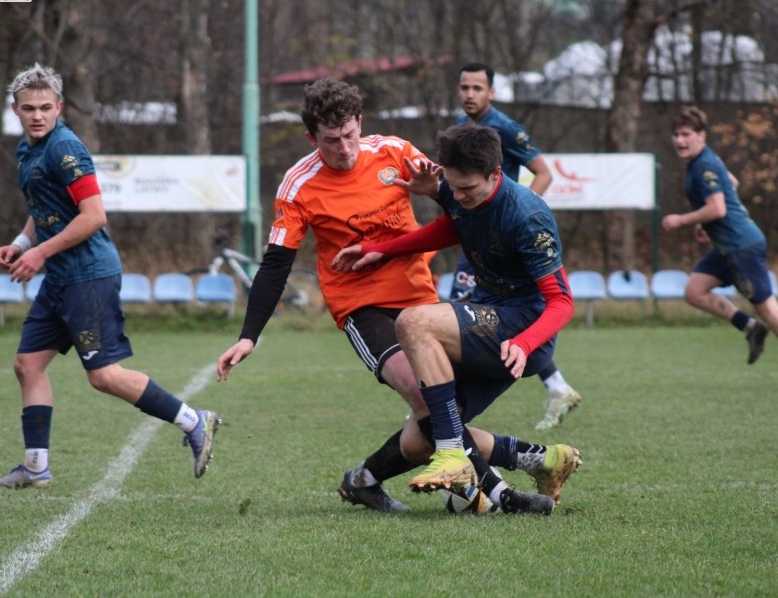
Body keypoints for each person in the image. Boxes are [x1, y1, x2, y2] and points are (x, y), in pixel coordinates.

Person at [217, 78, 578, 514]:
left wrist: (433, 193)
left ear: (360, 122)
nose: (344, 148)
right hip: (362, 306)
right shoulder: (299, 185)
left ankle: (364, 480)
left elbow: (459, 201)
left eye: (350, 134)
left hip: (418, 295)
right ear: (311, 138)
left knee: (429, 424)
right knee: (430, 402)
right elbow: (276, 264)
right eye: (331, 140)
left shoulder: (395, 152)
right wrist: (249, 335)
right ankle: (503, 492)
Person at [0, 63, 220, 489]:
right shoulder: (28, 149)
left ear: (59, 107)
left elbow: (94, 216)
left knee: (104, 376)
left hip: (88, 277)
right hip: (60, 277)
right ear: (15, 109)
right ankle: (36, 466)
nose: (37, 115)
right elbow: (43, 205)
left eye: (45, 108)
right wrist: (22, 242)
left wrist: (39, 252)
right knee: (28, 364)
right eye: (29, 108)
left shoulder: (65, 149)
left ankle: (194, 421)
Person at [333, 121, 581, 503]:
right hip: (488, 318)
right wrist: (379, 249)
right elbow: (450, 229)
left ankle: (453, 456)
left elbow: (562, 301)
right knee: (419, 438)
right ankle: (545, 460)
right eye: (452, 185)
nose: (457, 194)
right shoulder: (456, 192)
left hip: (522, 328)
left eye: (467, 188)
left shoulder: (528, 215)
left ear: (495, 173)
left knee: (414, 321)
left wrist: (525, 343)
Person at [451, 61, 581, 431]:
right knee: (465, 313)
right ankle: (556, 386)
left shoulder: (506, 128)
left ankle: (445, 405)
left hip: (498, 241)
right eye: (464, 87)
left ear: (491, 92)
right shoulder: (459, 128)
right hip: (473, 234)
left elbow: (544, 172)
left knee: (459, 314)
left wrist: (517, 214)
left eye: (477, 88)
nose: (470, 94)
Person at [661, 106, 778, 389]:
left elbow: (718, 208)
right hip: (727, 247)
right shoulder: (703, 162)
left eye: (686, 134)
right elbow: (731, 183)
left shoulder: (704, 165)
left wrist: (683, 220)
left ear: (702, 135)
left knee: (767, 308)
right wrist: (705, 222)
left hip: (742, 246)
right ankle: (750, 327)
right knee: (694, 291)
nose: (679, 140)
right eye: (676, 135)